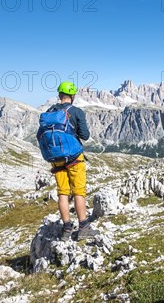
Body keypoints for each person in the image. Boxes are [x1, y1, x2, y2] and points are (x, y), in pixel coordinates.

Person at [39, 81, 98, 241]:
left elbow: (40, 135)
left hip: (55, 159)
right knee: (78, 191)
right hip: (74, 157)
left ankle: (66, 229)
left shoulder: (50, 112)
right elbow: (85, 135)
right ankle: (84, 227)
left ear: (59, 95)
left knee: (63, 192)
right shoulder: (76, 111)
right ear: (72, 96)